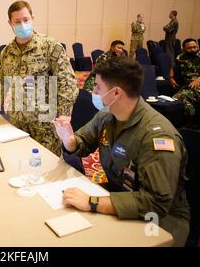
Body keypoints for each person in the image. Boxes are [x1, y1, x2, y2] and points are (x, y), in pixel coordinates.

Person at [53, 57, 190, 247]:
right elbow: (82, 142)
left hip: (161, 220)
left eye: (98, 88)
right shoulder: (107, 116)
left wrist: (93, 203)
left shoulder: (157, 138)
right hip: (119, 194)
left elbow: (155, 203)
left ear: (116, 92)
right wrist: (69, 140)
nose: (93, 92)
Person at [0, 0, 78, 156]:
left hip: (45, 128)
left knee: (46, 169)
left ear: (32, 19)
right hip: (17, 124)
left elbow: (67, 82)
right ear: (10, 24)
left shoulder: (50, 46)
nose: (23, 25)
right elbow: (0, 83)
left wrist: (64, 113)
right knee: (18, 164)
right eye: (17, 21)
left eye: (26, 20)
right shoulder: (6, 53)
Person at [170, 38, 200, 120]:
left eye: (195, 47)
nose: (193, 49)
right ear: (184, 49)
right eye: (189, 48)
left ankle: (190, 121)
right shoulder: (180, 57)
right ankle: (182, 123)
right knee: (174, 100)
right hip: (188, 87)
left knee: (185, 95)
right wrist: (171, 78)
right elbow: (172, 66)